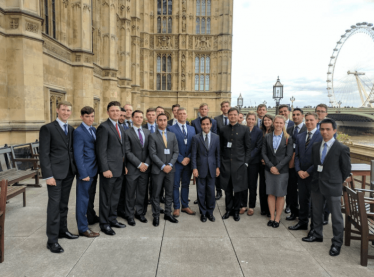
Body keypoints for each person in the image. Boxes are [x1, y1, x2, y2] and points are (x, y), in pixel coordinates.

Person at [302, 118, 351, 257]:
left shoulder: (342, 148)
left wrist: (336, 181)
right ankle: (317, 234)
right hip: (317, 185)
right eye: (322, 129)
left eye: (328, 129)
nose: (325, 132)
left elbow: (346, 169)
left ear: (334, 131)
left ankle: (336, 243)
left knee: (336, 217)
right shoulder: (316, 146)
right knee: (316, 212)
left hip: (333, 186)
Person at [39, 100, 78, 254]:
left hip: (68, 173)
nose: (66, 113)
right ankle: (52, 240)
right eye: (63, 110)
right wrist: (48, 175)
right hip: (54, 174)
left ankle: (63, 230)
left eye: (68, 110)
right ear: (57, 110)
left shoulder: (70, 128)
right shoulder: (47, 128)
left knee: (64, 204)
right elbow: (44, 154)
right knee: (54, 206)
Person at [96, 101, 127, 236]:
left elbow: (122, 150)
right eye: (112, 110)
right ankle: (104, 223)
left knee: (115, 197)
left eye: (117, 111)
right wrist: (105, 169)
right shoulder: (104, 127)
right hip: (109, 170)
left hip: (119, 169)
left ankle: (112, 219)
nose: (115, 113)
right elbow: (101, 151)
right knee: (106, 198)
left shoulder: (120, 127)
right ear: (108, 112)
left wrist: (124, 166)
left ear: (120, 112)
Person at [289, 112, 322, 233]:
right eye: (307, 120)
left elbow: (321, 158)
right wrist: (298, 170)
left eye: (311, 120)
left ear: (316, 121)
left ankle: (314, 229)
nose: (308, 122)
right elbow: (296, 155)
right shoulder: (300, 136)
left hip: (314, 175)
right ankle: (302, 223)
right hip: (301, 175)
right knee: (303, 200)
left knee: (315, 204)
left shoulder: (321, 136)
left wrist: (308, 171)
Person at [73, 106, 100, 238]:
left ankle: (91, 218)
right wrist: (83, 174)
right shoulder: (78, 132)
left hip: (94, 170)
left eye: (92, 116)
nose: (90, 119)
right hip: (86, 172)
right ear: (82, 117)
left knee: (90, 199)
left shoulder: (93, 129)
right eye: (87, 117)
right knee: (82, 200)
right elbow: (78, 155)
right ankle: (83, 228)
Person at [262, 115, 293, 228]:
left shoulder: (288, 138)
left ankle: (277, 218)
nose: (278, 125)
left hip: (282, 171)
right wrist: (270, 166)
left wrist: (278, 167)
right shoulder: (267, 136)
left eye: (281, 123)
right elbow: (264, 153)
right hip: (269, 170)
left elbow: (289, 155)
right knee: (270, 193)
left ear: (284, 124)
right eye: (277, 122)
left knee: (280, 194)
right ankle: (271, 216)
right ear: (273, 123)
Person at [220, 108, 251, 222]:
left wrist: (246, 163)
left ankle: (236, 211)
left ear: (238, 116)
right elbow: (221, 147)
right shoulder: (223, 130)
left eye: (235, 115)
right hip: (226, 164)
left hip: (239, 165)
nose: (233, 116)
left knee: (238, 190)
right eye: (231, 115)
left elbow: (248, 148)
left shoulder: (244, 129)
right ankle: (228, 210)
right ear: (228, 116)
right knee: (228, 190)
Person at [149, 113, 179, 226]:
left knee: (169, 192)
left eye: (165, 120)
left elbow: (176, 151)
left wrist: (170, 165)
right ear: (157, 121)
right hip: (158, 169)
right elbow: (152, 154)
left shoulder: (172, 135)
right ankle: (156, 215)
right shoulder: (152, 136)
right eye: (160, 120)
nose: (162, 122)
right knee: (156, 194)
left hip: (170, 169)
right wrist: (162, 166)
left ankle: (167, 213)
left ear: (167, 121)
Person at [124, 110, 151, 226]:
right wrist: (140, 164)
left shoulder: (148, 132)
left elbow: (152, 151)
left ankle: (140, 213)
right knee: (130, 193)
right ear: (133, 118)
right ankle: (130, 215)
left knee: (142, 193)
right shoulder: (127, 133)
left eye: (141, 117)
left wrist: (147, 164)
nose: (139, 119)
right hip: (133, 168)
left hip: (145, 168)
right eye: (137, 117)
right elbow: (127, 152)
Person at [168, 107, 196, 217]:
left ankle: (185, 205)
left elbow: (194, 145)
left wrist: (188, 158)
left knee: (185, 184)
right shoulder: (171, 129)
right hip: (176, 162)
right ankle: (176, 207)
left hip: (188, 162)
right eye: (180, 114)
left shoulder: (192, 129)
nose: (182, 115)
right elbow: (170, 146)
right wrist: (180, 159)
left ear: (186, 115)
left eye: (184, 113)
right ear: (176, 115)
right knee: (175, 185)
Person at [191, 117, 220, 222]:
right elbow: (193, 155)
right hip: (200, 169)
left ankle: (210, 212)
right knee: (201, 192)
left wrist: (217, 167)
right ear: (200, 125)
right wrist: (194, 168)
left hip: (212, 168)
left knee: (211, 192)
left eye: (207, 124)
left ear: (211, 124)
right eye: (203, 124)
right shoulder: (196, 138)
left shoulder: (216, 137)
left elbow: (217, 154)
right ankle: (203, 213)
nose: (205, 126)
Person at [240, 112, 263, 216]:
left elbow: (258, 147)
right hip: (242, 161)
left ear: (255, 120)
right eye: (249, 119)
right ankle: (243, 205)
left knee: (252, 185)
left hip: (253, 162)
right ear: (246, 119)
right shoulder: (243, 130)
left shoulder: (258, 131)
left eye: (252, 119)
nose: (250, 121)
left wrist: (248, 158)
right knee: (243, 184)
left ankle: (252, 206)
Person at [285, 108, 307, 219]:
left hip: (303, 165)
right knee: (291, 189)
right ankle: (293, 212)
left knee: (303, 192)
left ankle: (303, 214)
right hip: (291, 164)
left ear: (302, 116)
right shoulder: (289, 129)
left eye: (298, 114)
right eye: (293, 115)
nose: (295, 116)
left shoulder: (307, 129)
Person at [315, 103, 333, 224]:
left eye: (322, 111)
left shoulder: (330, 126)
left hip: (326, 164)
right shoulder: (312, 125)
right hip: (315, 164)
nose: (319, 113)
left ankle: (326, 215)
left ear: (326, 113)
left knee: (326, 192)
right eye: (317, 111)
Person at [214, 100, 230, 200]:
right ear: (221, 108)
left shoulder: (233, 117)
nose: (225, 108)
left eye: (227, 106)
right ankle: (218, 191)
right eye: (223, 106)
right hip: (219, 147)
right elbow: (215, 134)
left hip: (230, 149)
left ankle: (228, 190)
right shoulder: (216, 119)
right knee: (218, 170)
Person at [143, 108, 158, 211]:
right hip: (145, 161)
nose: (151, 116)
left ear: (156, 116)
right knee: (144, 185)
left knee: (156, 185)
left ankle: (155, 205)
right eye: (149, 115)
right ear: (146, 116)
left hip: (157, 162)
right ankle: (143, 205)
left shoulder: (160, 127)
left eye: (153, 114)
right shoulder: (142, 127)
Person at [259, 114, 273, 217]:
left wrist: (267, 160)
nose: (266, 122)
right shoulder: (261, 132)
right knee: (262, 186)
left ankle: (270, 209)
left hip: (270, 163)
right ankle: (263, 208)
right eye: (265, 120)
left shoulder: (274, 132)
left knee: (270, 187)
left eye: (268, 120)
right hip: (261, 162)